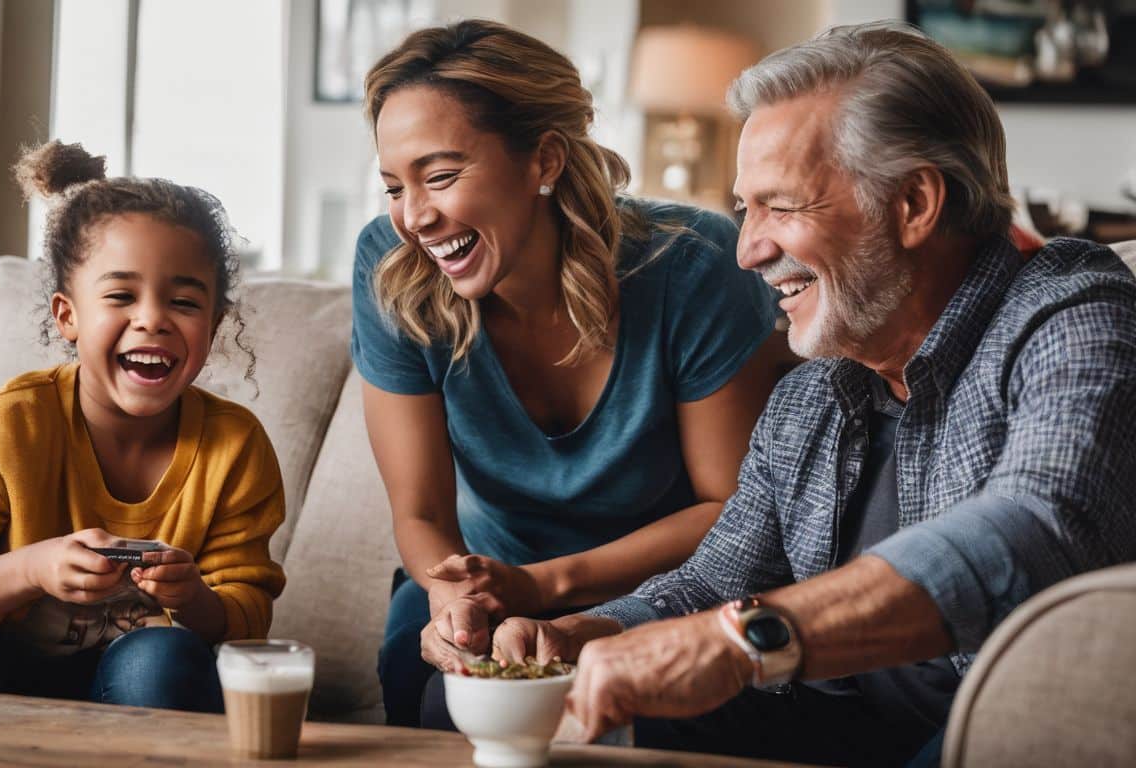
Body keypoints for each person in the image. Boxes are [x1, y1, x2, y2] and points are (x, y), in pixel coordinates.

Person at [480, 22, 1136, 767]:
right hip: (822, 731)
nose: (747, 250)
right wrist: (584, 632)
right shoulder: (815, 392)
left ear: (914, 203)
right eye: (744, 209)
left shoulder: (1073, 312)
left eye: (781, 207)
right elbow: (714, 584)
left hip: (998, 731)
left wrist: (744, 641)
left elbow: (1036, 524)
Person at [351, 19, 790, 727]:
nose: (415, 218)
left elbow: (728, 510)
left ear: (544, 161)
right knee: (436, 691)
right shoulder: (390, 268)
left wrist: (542, 585)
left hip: (661, 590)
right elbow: (422, 514)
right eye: (394, 188)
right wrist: (455, 601)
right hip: (481, 584)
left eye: (438, 177)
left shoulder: (692, 264)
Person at [0, 141, 287, 713]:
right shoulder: (11, 423)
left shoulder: (235, 447)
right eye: (121, 295)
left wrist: (197, 599)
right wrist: (33, 567)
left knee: (163, 660)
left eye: (183, 301)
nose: (153, 318)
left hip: (129, 668)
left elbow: (247, 614)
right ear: (68, 316)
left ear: (214, 321)